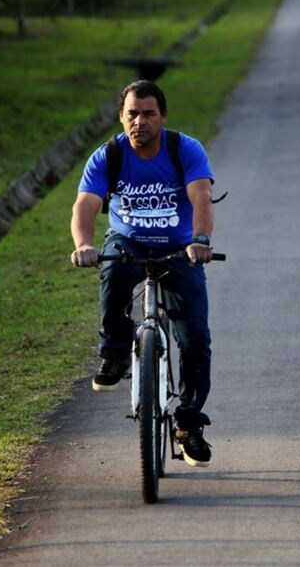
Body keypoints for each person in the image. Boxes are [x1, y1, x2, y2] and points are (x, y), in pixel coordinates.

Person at [70, 80, 217, 468]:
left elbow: (200, 195)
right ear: (121, 117)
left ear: (163, 117)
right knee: (114, 267)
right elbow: (85, 205)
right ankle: (114, 354)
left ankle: (188, 423)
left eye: (149, 114)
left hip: (178, 247)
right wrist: (84, 244)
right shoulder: (108, 156)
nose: (140, 122)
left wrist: (200, 239)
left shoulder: (184, 149)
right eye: (132, 114)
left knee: (196, 338)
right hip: (129, 241)